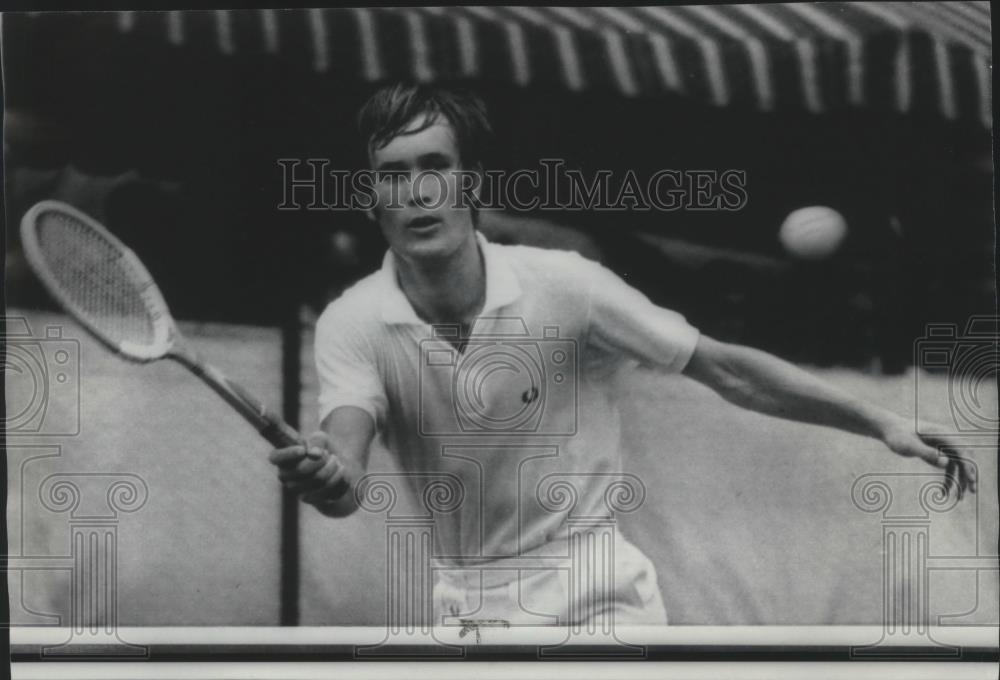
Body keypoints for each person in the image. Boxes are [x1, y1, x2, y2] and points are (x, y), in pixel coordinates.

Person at [269, 83, 977, 628]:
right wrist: (329, 477)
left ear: (471, 184)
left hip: (596, 593)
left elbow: (727, 368)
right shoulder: (353, 322)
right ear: (371, 199)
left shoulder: (567, 286)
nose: (417, 190)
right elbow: (347, 462)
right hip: (469, 605)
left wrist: (879, 420)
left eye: (436, 166)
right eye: (393, 174)